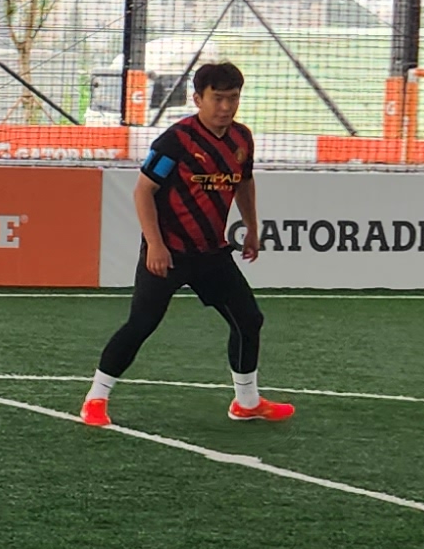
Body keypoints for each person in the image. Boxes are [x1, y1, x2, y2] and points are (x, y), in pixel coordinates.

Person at [83, 57, 291, 429]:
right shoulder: (176, 141)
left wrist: (252, 227)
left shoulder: (242, 139)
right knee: (142, 323)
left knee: (249, 320)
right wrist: (155, 244)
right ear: (198, 99)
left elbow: (244, 182)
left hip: (212, 254)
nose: (226, 106)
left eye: (233, 98)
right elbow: (143, 191)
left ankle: (246, 402)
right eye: (218, 98)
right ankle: (95, 398)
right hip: (169, 252)